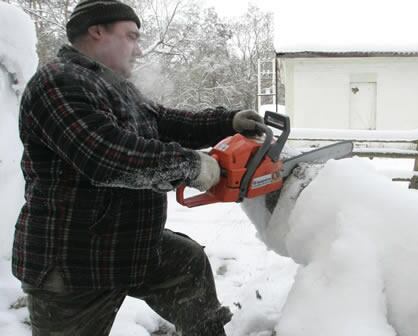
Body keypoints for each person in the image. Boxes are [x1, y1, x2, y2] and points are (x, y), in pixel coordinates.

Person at [12, 0, 264, 334]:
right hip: (74, 262)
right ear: (97, 31)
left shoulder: (112, 85)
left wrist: (226, 121)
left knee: (186, 264)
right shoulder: (58, 82)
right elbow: (106, 156)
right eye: (131, 36)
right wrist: (191, 165)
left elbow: (164, 121)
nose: (139, 49)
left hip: (125, 245)